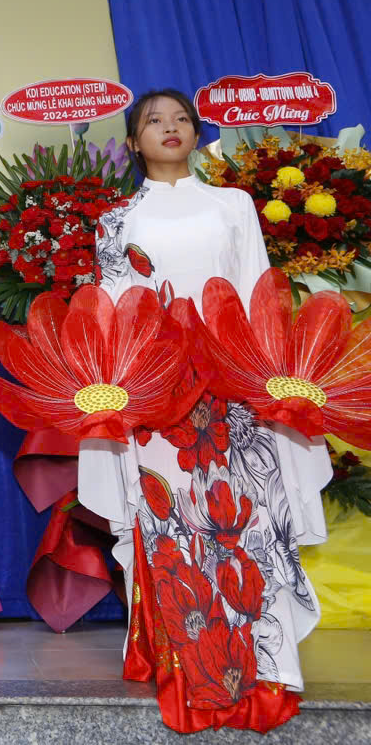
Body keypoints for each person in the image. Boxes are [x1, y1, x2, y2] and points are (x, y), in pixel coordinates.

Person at [80, 89, 331, 733]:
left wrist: (269, 376)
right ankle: (197, 675)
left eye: (181, 119)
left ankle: (266, 671)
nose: (170, 128)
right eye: (153, 121)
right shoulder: (115, 221)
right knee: (176, 529)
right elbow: (113, 313)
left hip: (234, 387)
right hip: (157, 396)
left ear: (196, 133)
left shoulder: (233, 204)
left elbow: (257, 290)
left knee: (249, 521)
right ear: (133, 142)